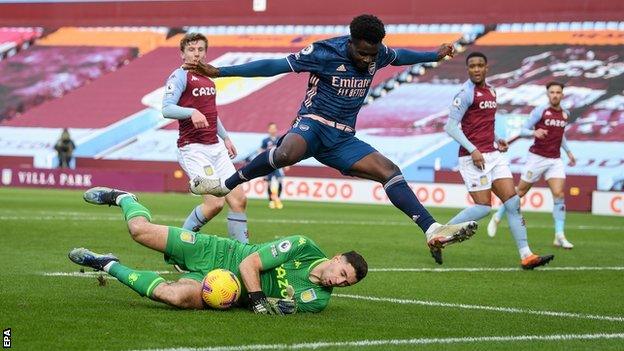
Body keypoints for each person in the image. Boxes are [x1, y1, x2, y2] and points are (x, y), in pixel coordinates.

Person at [183, 14, 477, 264]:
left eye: (372, 55)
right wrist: (221, 72)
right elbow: (275, 65)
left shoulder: (379, 53)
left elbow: (400, 56)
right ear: (351, 42)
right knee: (285, 154)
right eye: (361, 53)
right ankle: (226, 185)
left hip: (343, 138)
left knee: (390, 172)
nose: (367, 60)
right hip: (314, 123)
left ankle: (431, 229)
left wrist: (434, 55)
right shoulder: (324, 52)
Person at [69, 187, 368, 314]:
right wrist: (260, 301)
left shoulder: (318, 301)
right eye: (342, 273)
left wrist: (281, 308)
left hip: (228, 291)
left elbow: (284, 308)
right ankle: (125, 198)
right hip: (220, 254)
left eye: (346, 283)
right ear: (336, 258)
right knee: (138, 231)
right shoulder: (302, 247)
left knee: (174, 296)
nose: (338, 282)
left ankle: (107, 264)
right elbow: (250, 264)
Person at [444, 52, 554, 270]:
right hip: (473, 158)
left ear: (486, 68)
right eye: (472, 66)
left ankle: (526, 255)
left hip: (494, 155)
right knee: (484, 208)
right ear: (468, 70)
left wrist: (497, 139)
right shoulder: (465, 93)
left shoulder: (492, 91)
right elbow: (450, 127)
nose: (476, 69)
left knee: (513, 203)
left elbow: (484, 124)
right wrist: (474, 150)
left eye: (480, 65)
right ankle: (441, 232)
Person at [161, 33, 248, 244]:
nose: (196, 54)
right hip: (193, 149)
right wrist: (191, 112)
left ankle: (243, 254)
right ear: (182, 54)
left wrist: (225, 138)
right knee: (215, 204)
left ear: (206, 52)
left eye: (200, 50)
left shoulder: (208, 77)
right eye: (191, 50)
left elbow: (211, 114)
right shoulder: (179, 76)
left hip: (216, 147)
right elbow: (166, 109)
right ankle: (179, 248)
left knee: (239, 200)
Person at [487, 82, 577, 249]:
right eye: (552, 92)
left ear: (562, 95)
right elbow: (523, 130)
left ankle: (559, 235)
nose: (555, 95)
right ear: (548, 94)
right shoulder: (541, 111)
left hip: (555, 160)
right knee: (519, 192)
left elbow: (560, 135)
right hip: (537, 158)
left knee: (559, 194)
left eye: (558, 92)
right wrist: (534, 132)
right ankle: (498, 217)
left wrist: (569, 152)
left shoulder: (565, 114)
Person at [260, 122, 287, 209]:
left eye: (274, 128)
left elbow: (284, 152)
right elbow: (261, 151)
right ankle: (271, 201)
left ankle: (278, 199)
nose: (273, 130)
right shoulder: (265, 141)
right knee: (269, 183)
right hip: (268, 165)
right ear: (269, 130)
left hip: (278, 165)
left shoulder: (280, 139)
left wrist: (286, 164)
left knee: (280, 181)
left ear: (276, 129)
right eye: (271, 128)